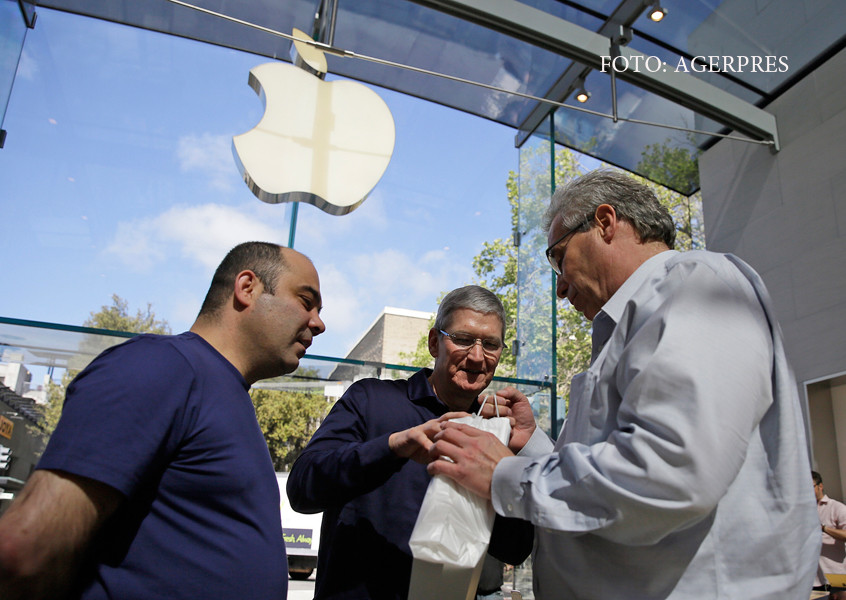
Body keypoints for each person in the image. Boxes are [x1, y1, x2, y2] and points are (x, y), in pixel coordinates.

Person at [427, 170, 819, 598]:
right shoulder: (641, 317)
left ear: (605, 222)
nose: (559, 288)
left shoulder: (695, 285)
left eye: (558, 259)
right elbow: (620, 466)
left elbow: (669, 471)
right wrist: (534, 443)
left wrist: (504, 475)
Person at [0, 241, 326, 600]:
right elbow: (24, 554)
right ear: (247, 288)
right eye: (306, 301)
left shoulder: (224, 393)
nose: (319, 322)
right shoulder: (162, 366)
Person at [286, 285, 532, 600]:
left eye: (490, 344)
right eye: (463, 339)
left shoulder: (494, 433)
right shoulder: (370, 400)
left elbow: (516, 548)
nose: (477, 355)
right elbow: (303, 489)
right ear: (434, 342)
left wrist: (501, 475)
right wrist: (391, 448)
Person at [814, 470, 846, 589]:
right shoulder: (801, 511)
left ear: (820, 486)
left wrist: (824, 528)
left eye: (810, 487)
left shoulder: (836, 507)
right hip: (811, 579)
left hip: (834, 576)